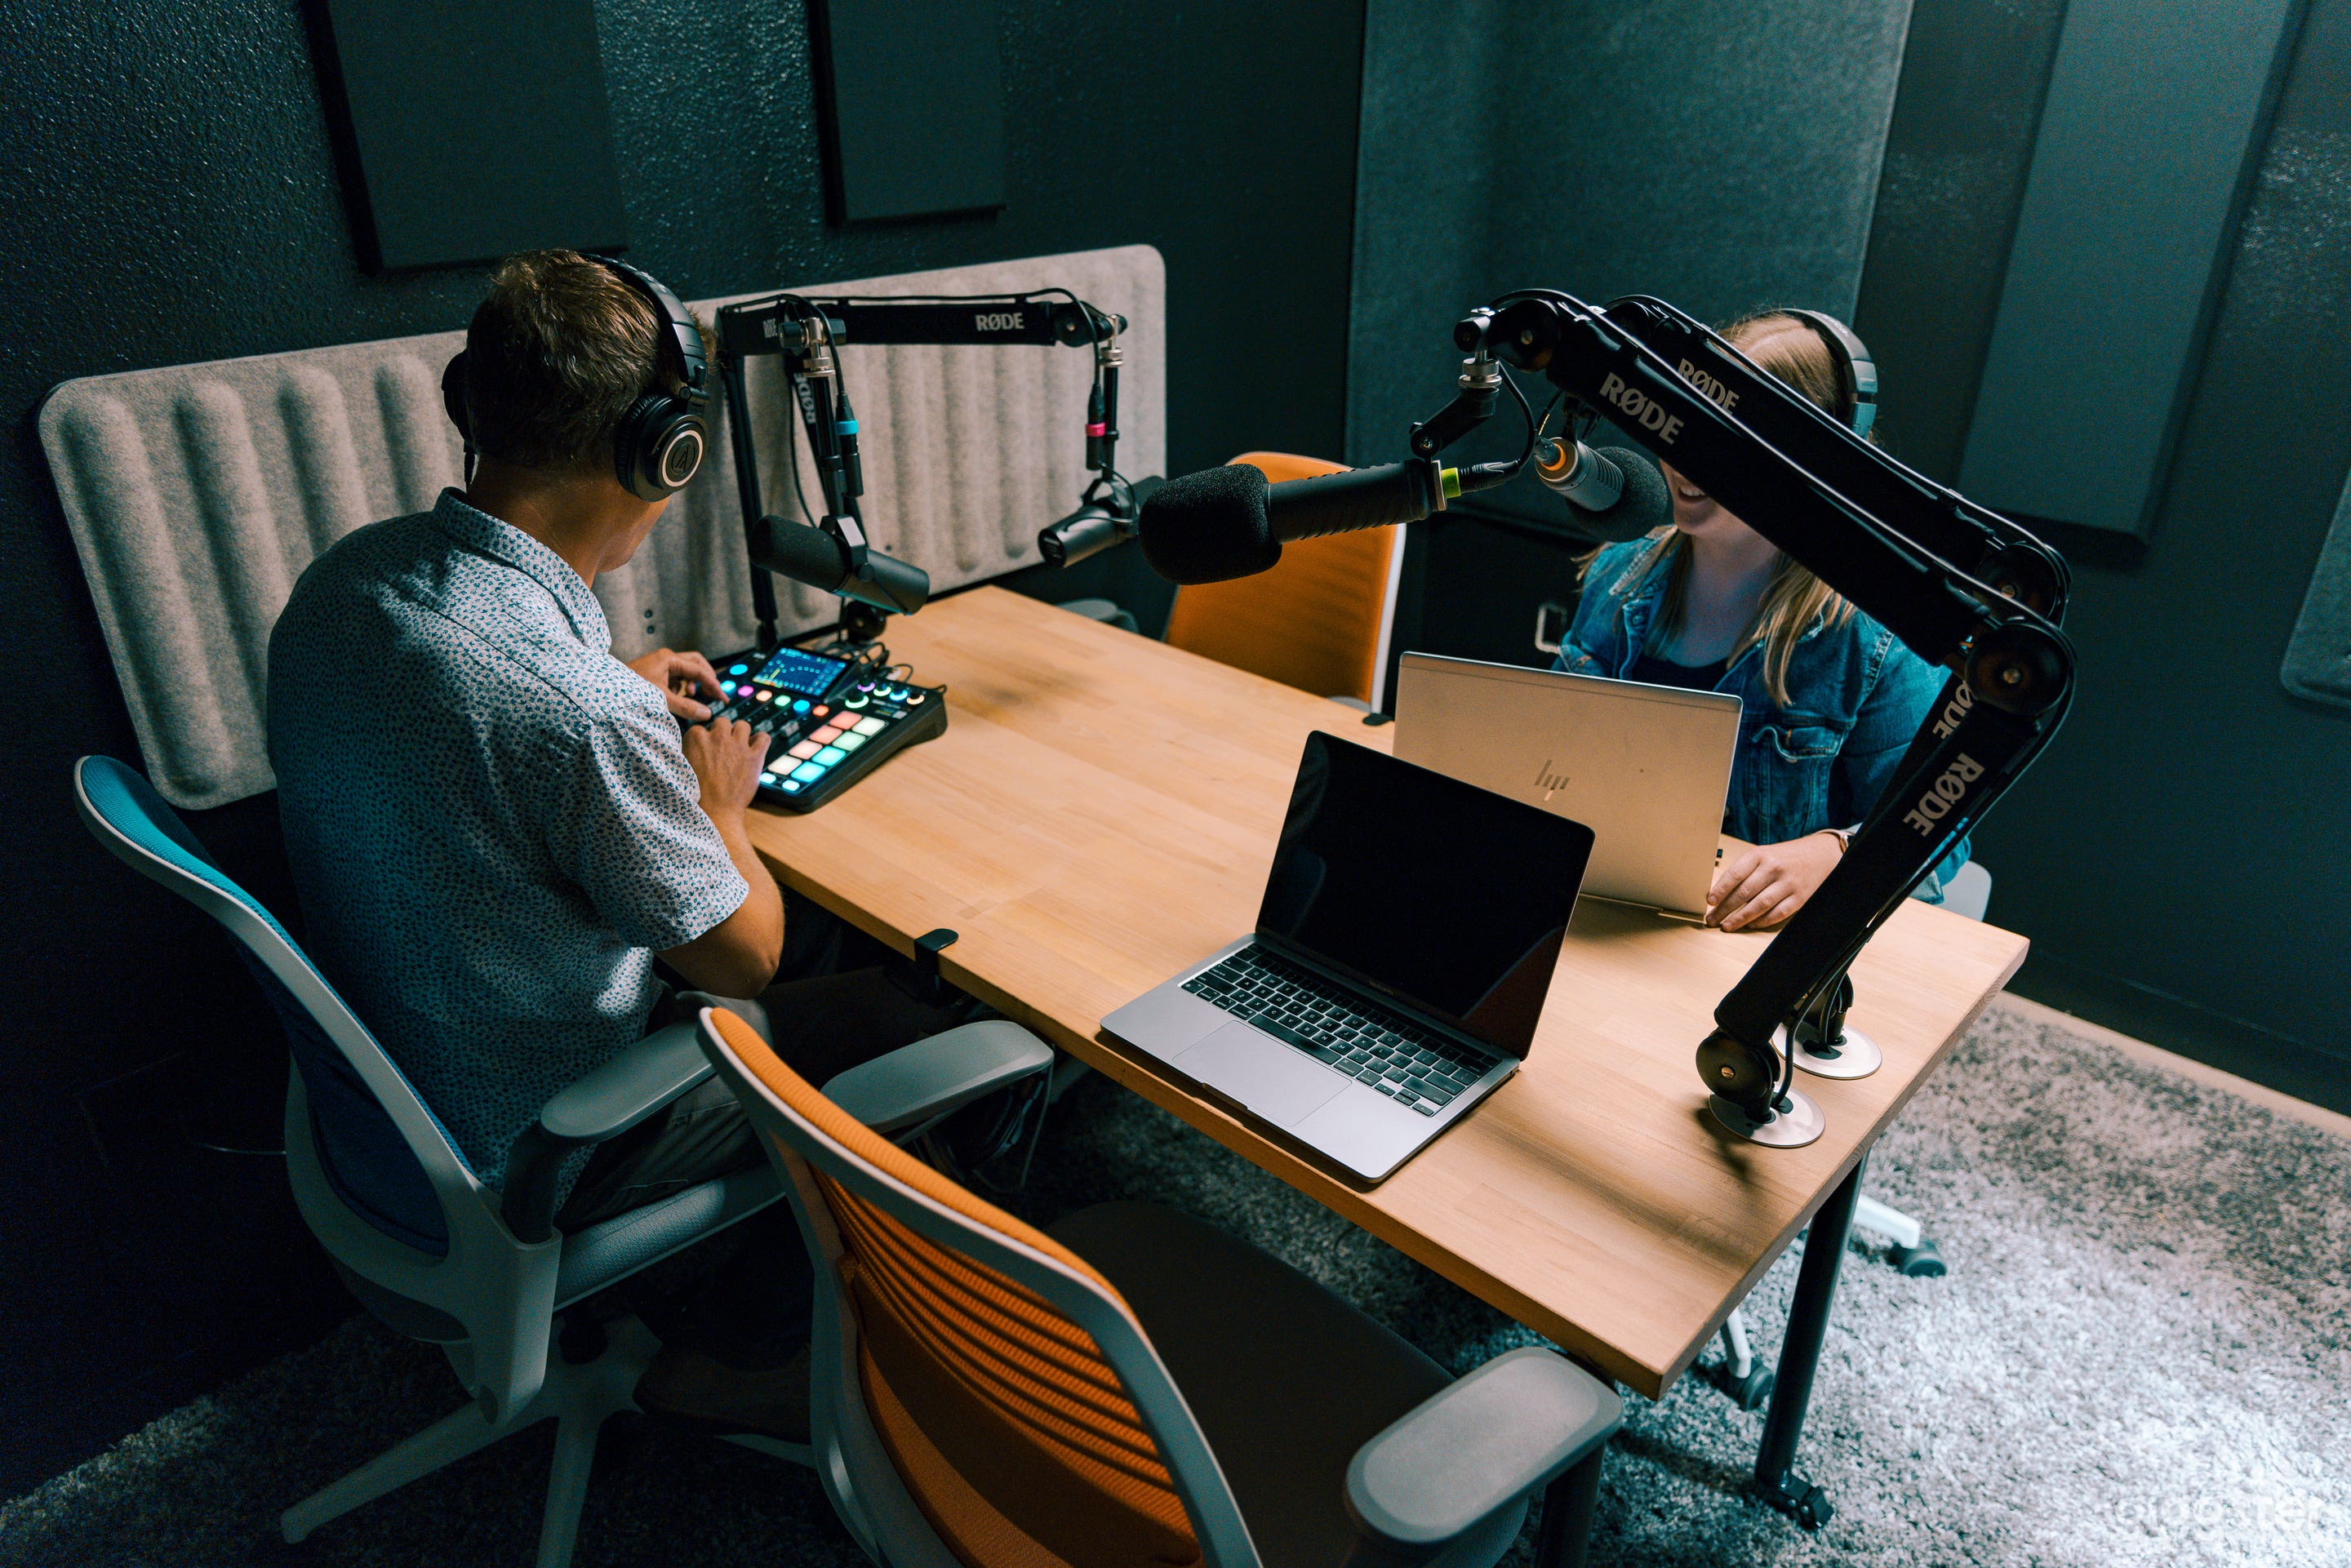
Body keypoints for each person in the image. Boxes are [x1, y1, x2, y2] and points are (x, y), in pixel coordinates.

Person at [268, 250, 953, 1437]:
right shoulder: (577, 713)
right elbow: (746, 961)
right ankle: (739, 1356)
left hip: (394, 1112)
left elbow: (476, 725)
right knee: (920, 1036)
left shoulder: (347, 584)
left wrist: (611, 689)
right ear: (665, 451)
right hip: (537, 1139)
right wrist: (719, 810)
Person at [1552, 309, 1968, 931]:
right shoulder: (1619, 575)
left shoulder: (1875, 633)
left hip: (1748, 950)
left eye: (1728, 442)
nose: (1688, 465)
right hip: (1611, 913)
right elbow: (1548, 754)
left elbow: (1939, 838)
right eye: (1686, 426)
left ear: (1817, 461)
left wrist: (1832, 855)